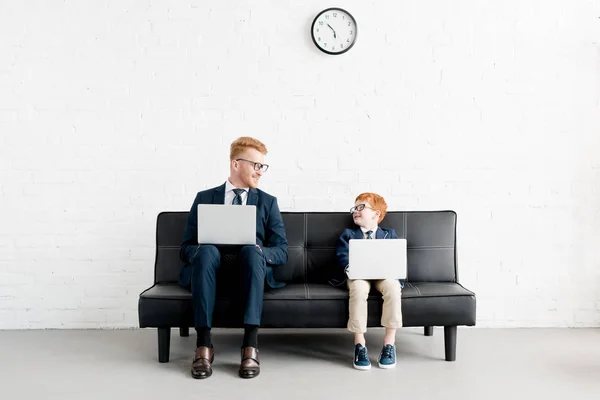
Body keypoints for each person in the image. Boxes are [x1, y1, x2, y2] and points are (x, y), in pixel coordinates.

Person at [179, 136, 288, 379]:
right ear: (236, 164)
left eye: (263, 166)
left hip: (250, 271)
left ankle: (251, 345)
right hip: (210, 271)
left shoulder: (268, 203)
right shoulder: (204, 198)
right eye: (256, 165)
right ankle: (204, 346)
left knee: (252, 250)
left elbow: (282, 250)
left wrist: (261, 252)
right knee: (205, 251)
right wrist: (201, 250)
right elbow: (185, 247)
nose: (260, 172)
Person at [336, 192, 403, 370]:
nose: (355, 211)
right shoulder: (348, 234)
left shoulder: (389, 234)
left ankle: (389, 344)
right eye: (354, 208)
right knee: (358, 288)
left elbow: (396, 258)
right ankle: (360, 344)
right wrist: (351, 269)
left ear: (376, 214)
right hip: (359, 275)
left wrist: (394, 271)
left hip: (383, 276)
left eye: (360, 207)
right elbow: (342, 256)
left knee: (393, 288)